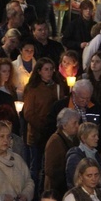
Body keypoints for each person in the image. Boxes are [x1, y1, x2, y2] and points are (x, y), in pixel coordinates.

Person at [23, 57, 68, 192]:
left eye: (51, 69)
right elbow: (29, 113)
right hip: (38, 134)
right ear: (39, 71)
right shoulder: (33, 89)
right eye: (46, 69)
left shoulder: (57, 86)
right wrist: (43, 127)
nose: (49, 72)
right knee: (36, 166)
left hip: (54, 132)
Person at [44, 108, 81, 198]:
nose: (78, 126)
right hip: (57, 190)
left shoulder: (74, 139)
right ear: (64, 126)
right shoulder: (55, 141)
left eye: (78, 123)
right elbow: (51, 170)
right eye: (74, 123)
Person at [64, 123, 101, 192]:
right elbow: (75, 182)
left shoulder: (97, 155)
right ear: (83, 138)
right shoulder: (75, 158)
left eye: (97, 135)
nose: (97, 138)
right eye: (94, 136)